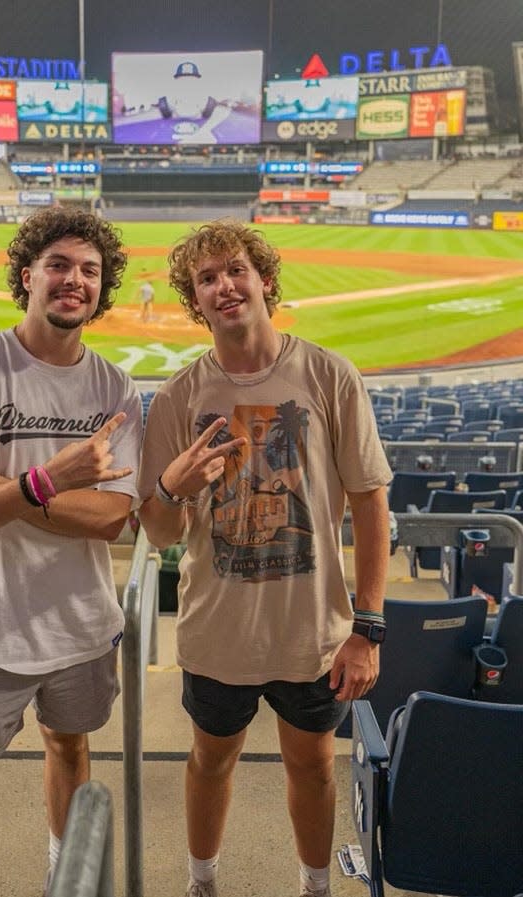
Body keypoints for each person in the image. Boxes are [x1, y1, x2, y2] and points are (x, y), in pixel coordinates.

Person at [137, 220, 391, 897]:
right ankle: (202, 880)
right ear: (196, 301)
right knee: (210, 761)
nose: (223, 286)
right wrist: (171, 487)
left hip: (314, 633)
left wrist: (368, 628)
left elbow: (371, 502)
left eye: (234, 270)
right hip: (217, 632)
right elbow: (157, 530)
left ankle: (314, 885)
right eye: (207, 279)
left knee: (312, 765)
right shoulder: (177, 397)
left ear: (265, 279)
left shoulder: (330, 375)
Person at [0, 206, 143, 897]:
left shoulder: (114, 388)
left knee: (70, 748)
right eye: (60, 265)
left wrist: (3, 486)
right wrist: (49, 480)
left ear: (102, 288)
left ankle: (62, 875)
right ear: (27, 275)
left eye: (90, 271)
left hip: (78, 627)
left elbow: (111, 522)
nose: (75, 280)